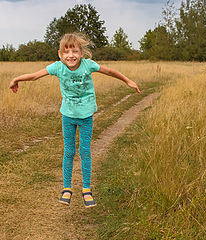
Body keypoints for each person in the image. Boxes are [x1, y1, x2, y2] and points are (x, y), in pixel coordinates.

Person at [9, 32, 140, 208]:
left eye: (75, 51)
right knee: (69, 151)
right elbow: (34, 76)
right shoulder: (57, 67)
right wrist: (16, 79)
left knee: (85, 151)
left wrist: (128, 81)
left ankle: (86, 189)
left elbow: (110, 71)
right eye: (66, 52)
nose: (71, 55)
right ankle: (66, 188)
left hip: (86, 116)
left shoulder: (88, 65)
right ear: (60, 54)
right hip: (68, 116)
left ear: (81, 53)